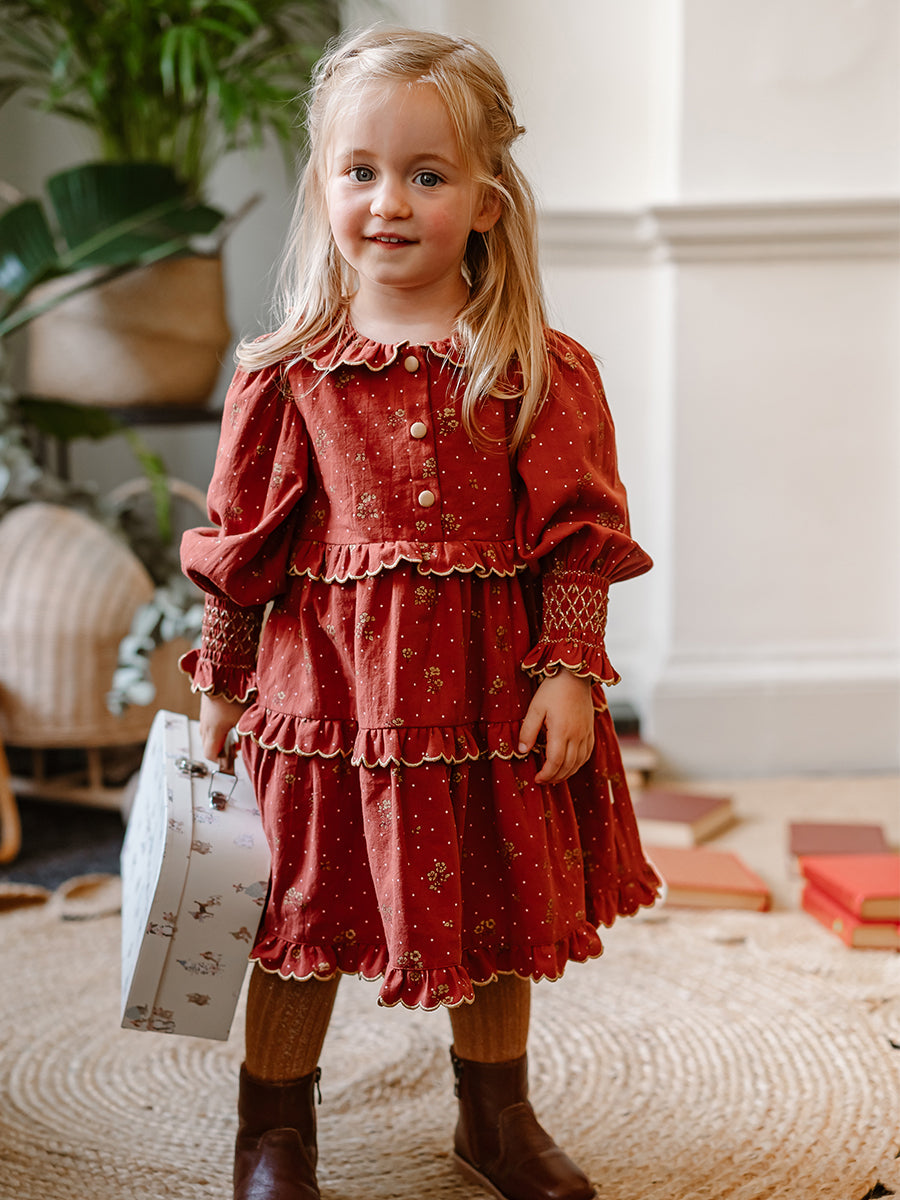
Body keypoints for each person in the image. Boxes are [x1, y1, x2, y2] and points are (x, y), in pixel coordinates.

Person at [180, 25, 660, 1200]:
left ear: (486, 201)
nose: (388, 202)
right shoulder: (287, 371)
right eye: (361, 171)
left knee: (497, 902)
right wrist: (222, 683)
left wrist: (570, 670)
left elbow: (577, 535)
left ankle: (495, 1118)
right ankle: (273, 1132)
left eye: (426, 175)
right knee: (299, 914)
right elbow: (244, 544)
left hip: (492, 699)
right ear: (323, 186)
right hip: (327, 706)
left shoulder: (538, 367)